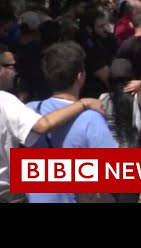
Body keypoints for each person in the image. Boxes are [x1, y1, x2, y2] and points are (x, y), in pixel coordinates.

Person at [0, 45, 105, 203]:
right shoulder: (91, 117)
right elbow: (42, 125)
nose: (15, 72)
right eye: (11, 66)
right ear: (80, 77)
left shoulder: (30, 108)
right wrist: (83, 103)